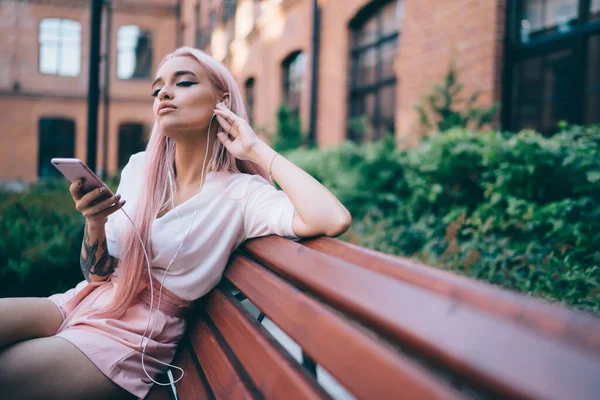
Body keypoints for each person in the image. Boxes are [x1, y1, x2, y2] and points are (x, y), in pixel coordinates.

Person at [0, 46, 352, 399]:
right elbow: (96, 274)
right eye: (157, 89)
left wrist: (257, 149)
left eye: (183, 83)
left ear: (222, 101)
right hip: (86, 301)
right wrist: (94, 222)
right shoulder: (138, 167)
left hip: (133, 337)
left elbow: (332, 217)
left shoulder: (241, 194)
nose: (164, 93)